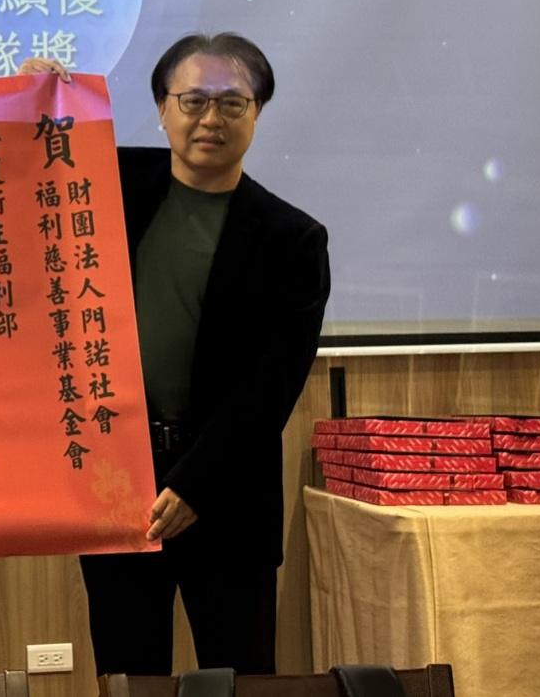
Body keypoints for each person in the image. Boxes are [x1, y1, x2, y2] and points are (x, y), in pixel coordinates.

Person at [22, 33, 330, 676]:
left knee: (241, 678)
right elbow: (7, 177)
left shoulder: (293, 238)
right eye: (193, 100)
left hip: (229, 494)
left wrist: (195, 484)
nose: (211, 118)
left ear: (257, 113)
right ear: (163, 108)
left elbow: (271, 386)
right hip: (118, 481)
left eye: (232, 103)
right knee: (129, 676)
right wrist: (27, 99)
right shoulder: (108, 183)